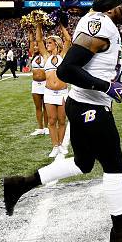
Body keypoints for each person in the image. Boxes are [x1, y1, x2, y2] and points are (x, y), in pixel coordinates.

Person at [3, 0, 122, 242]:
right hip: (90, 106)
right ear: (109, 8)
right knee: (114, 165)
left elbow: (89, 65)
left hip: (81, 103)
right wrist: (107, 87)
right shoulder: (100, 25)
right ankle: (121, 233)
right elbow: (66, 70)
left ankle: (21, 184)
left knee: (84, 163)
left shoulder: (95, 22)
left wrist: (114, 81)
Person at [36, 21, 71, 158]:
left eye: (49, 43)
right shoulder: (46, 57)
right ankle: (55, 146)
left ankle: (61, 143)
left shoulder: (63, 56)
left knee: (62, 120)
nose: (47, 45)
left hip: (62, 93)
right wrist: (38, 24)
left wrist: (61, 24)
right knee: (51, 120)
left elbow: (68, 39)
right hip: (49, 93)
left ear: (56, 44)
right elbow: (39, 39)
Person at [28, 36, 49, 137]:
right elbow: (31, 41)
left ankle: (47, 127)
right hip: (35, 84)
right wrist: (30, 31)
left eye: (37, 45)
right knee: (38, 107)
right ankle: (40, 128)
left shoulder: (47, 55)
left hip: (45, 83)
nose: (35, 47)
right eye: (35, 46)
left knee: (46, 107)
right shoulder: (33, 55)